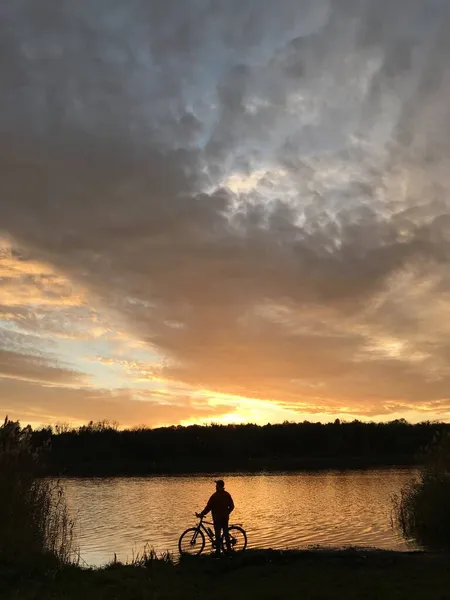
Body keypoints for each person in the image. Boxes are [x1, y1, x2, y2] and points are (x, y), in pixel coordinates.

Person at [197, 479, 234, 555]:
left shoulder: (214, 496)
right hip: (225, 518)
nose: (215, 486)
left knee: (217, 534)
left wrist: (201, 514)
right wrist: (227, 512)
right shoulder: (227, 494)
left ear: (219, 486)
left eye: (216, 485)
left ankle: (218, 552)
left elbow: (208, 507)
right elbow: (232, 506)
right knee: (225, 533)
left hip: (217, 518)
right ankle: (229, 550)